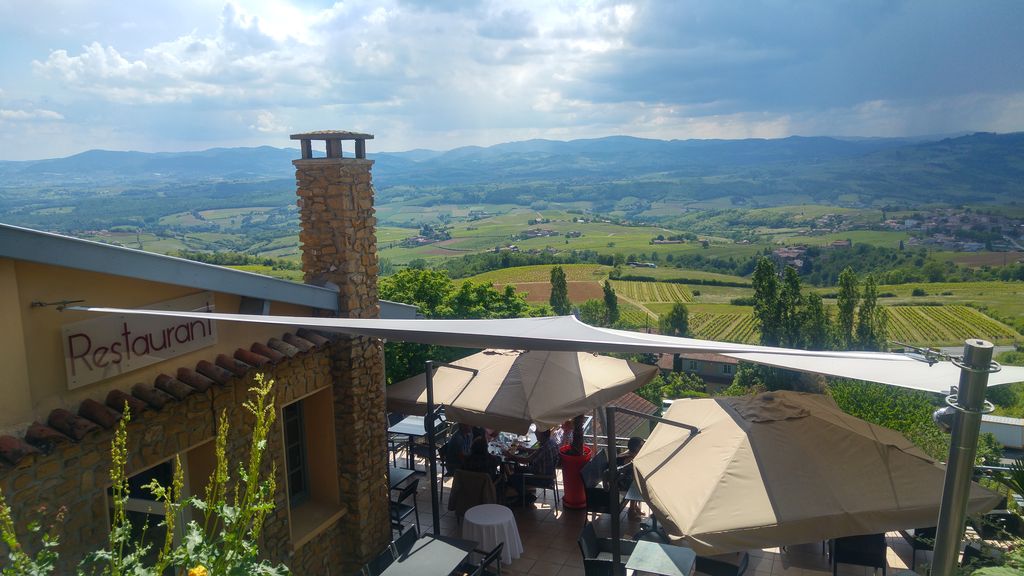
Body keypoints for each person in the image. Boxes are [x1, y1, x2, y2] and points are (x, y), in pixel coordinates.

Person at [506, 428, 560, 505]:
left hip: (542, 478)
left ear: (542, 435)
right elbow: (537, 451)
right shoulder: (551, 442)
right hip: (548, 474)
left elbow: (526, 460)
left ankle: (526, 497)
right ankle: (523, 492)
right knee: (517, 469)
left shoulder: (545, 447)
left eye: (537, 434)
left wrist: (510, 456)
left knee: (513, 477)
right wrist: (525, 449)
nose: (535, 435)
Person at [617, 437, 645, 519]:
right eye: (641, 446)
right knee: (636, 485)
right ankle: (631, 511)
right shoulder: (629, 458)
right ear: (635, 448)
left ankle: (635, 507)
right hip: (618, 482)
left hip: (621, 478)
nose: (643, 447)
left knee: (636, 481)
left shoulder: (630, 453)